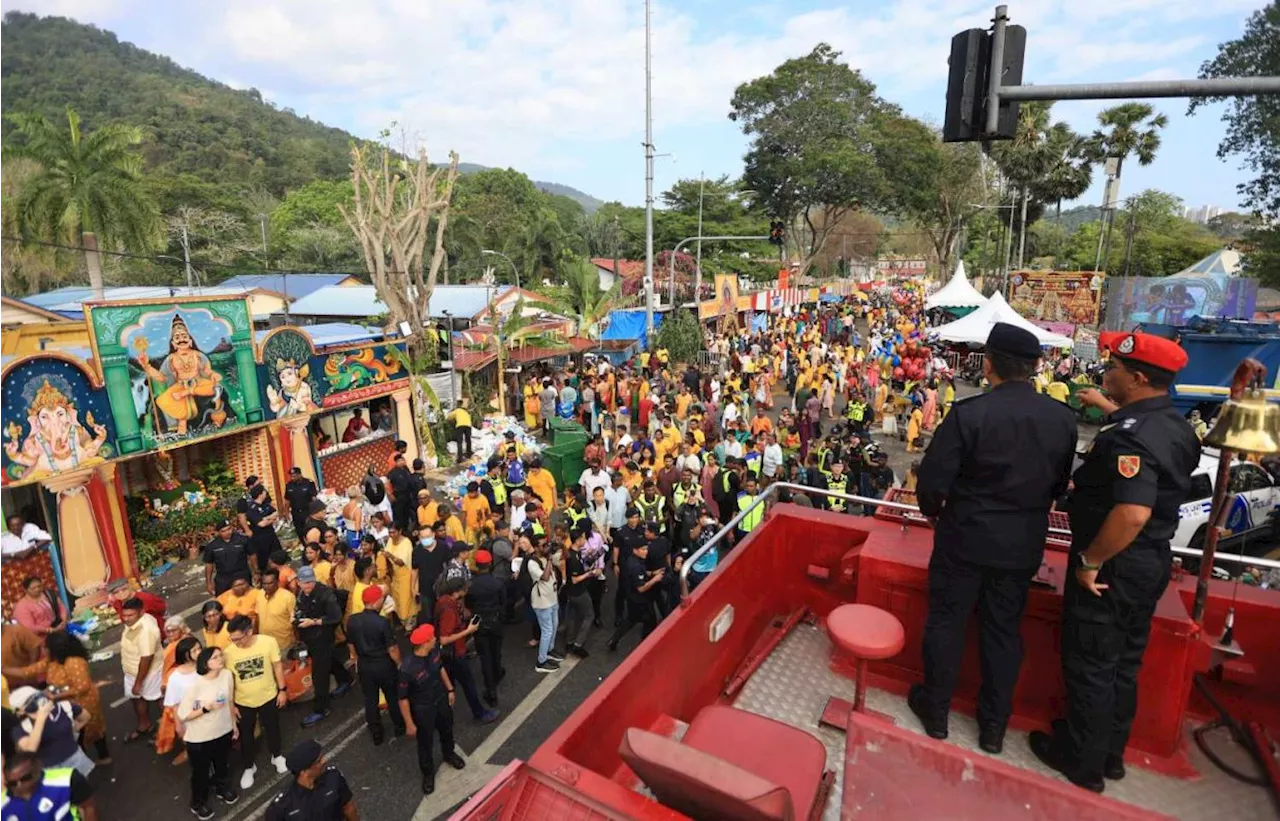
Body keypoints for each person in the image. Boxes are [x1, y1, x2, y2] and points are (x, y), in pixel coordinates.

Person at [1029, 332, 1199, 792]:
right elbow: (1143, 440)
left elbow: (1132, 512)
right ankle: (1110, 756)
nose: (1107, 375)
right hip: (1148, 565)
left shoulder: (1134, 440)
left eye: (1114, 370)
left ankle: (1081, 764)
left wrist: (1089, 561)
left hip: (1113, 567)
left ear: (1139, 377)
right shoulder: (1173, 425)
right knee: (1123, 665)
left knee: (1090, 666)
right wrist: (1111, 410)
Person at [910, 323, 1077, 756]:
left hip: (963, 539)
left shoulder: (969, 414)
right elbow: (1059, 486)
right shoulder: (1062, 420)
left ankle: (937, 713)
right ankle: (993, 729)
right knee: (1004, 633)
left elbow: (930, 482)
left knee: (946, 623)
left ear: (988, 365)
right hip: (1021, 547)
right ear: (1036, 367)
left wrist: (934, 515)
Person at [1, 632, 108, 765]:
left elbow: (82, 687)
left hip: (84, 701)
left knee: (90, 729)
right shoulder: (52, 661)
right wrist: (3, 669)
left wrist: (54, 696)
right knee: (77, 732)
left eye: (46, 648)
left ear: (57, 648)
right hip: (65, 701)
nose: (44, 650)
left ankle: (100, 758)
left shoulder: (74, 662)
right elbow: (27, 672)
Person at [397, 624, 466, 795]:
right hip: (423, 710)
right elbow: (403, 699)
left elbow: (440, 669)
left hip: (441, 700)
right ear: (424, 643)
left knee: (447, 730)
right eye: (432, 637)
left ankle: (449, 754)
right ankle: (428, 773)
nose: (435, 639)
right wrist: (409, 724)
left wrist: (450, 689)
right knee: (425, 743)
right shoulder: (407, 668)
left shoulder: (433, 653)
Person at [224, 616, 288, 789]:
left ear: (250, 632)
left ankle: (277, 755)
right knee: (246, 735)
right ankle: (249, 766)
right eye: (232, 639)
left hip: (268, 696)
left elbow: (277, 666)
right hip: (243, 702)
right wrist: (232, 705)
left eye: (238, 638)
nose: (235, 642)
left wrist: (282, 690)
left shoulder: (268, 642)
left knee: (273, 727)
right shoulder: (228, 652)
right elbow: (228, 680)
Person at [177, 647, 238, 819]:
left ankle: (222, 788)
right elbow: (183, 715)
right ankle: (198, 802)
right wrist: (205, 708)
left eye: (220, 656)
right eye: (215, 658)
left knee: (222, 765)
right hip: (200, 738)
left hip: (223, 730)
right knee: (200, 773)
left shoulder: (226, 675)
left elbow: (230, 700)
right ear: (205, 663)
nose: (220, 659)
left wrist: (233, 725)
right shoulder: (195, 685)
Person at [293, 566, 353, 728]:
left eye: (310, 582)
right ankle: (345, 678)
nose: (307, 585)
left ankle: (321, 709)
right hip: (310, 637)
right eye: (304, 582)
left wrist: (314, 622)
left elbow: (335, 617)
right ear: (298, 582)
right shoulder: (301, 595)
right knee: (329, 659)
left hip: (322, 636)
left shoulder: (325, 594)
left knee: (319, 674)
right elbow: (300, 610)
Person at [434, 577, 499, 723]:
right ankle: (479, 713)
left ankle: (444, 715)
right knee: (468, 684)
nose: (467, 591)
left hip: (446, 654)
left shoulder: (443, 600)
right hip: (456, 652)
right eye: (464, 589)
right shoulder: (449, 611)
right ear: (457, 592)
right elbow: (445, 638)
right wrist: (468, 630)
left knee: (447, 686)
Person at [345, 587, 405, 744]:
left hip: (365, 665)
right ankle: (399, 726)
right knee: (392, 697)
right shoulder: (382, 622)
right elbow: (392, 649)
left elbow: (350, 644)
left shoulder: (352, 620)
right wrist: (399, 664)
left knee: (370, 700)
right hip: (384, 665)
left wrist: (357, 659)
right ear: (376, 601)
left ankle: (376, 733)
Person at [266, 739, 361, 821]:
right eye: (318, 761)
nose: (324, 761)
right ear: (303, 772)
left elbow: (348, 808)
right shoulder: (281, 807)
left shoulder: (334, 778)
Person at [9, 685, 91, 775]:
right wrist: (41, 718)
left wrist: (69, 731)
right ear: (20, 711)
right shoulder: (21, 727)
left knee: (82, 787)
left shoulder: (65, 707)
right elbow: (29, 751)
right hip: (50, 772)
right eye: (28, 701)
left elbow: (85, 717)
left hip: (76, 761)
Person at [0, 751, 99, 821]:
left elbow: (88, 807)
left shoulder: (67, 780)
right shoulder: (2, 804)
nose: (19, 786)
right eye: (12, 783)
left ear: (37, 771)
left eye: (25, 778)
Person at [466, 548, 507, 706]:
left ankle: (491, 691)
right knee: (496, 650)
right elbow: (503, 601)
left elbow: (469, 604)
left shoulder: (472, 586)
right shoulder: (497, 583)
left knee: (485, 657)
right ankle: (497, 673)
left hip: (480, 623)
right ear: (490, 564)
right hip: (496, 620)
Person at [119, 597, 162, 743]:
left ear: (141, 612)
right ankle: (145, 725)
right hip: (131, 670)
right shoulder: (136, 621)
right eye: (124, 615)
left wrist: (138, 682)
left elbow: (146, 658)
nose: (126, 619)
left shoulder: (146, 630)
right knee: (136, 699)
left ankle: (168, 730)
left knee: (159, 699)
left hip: (148, 672)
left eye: (130, 615)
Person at [607, 539, 662, 651]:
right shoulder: (636, 566)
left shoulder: (632, 561)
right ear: (635, 550)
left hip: (632, 598)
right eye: (643, 549)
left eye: (646, 549)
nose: (646, 552)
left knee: (630, 620)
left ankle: (614, 640)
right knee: (650, 623)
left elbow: (642, 573)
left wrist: (651, 573)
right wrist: (655, 579)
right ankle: (645, 647)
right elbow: (641, 588)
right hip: (640, 600)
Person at [526, 537, 563, 673]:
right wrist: (549, 560)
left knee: (554, 626)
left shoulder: (546, 557)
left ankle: (549, 651)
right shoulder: (532, 562)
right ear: (536, 548)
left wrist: (559, 548)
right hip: (542, 602)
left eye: (547, 544)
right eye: (543, 545)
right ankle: (541, 661)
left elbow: (564, 557)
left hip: (552, 598)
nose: (546, 547)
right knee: (547, 631)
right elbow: (545, 577)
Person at [203, 519, 253, 596]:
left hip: (241, 574)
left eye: (229, 529)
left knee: (247, 598)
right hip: (223, 578)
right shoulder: (212, 546)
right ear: (218, 532)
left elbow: (252, 555)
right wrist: (209, 583)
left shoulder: (242, 539)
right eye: (224, 531)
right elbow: (209, 564)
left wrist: (256, 571)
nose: (228, 532)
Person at [246, 484, 284, 577]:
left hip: (271, 535)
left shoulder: (266, 505)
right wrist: (268, 520)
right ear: (260, 494)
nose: (265, 493)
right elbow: (261, 524)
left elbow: (276, 514)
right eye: (264, 492)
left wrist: (266, 519)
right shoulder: (252, 509)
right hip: (260, 539)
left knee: (278, 556)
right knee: (264, 562)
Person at [258, 568, 297, 653]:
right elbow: (257, 618)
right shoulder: (259, 595)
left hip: (284, 646)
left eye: (270, 583)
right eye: (264, 584)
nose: (266, 586)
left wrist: (297, 641)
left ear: (278, 582)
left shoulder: (288, 597)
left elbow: (295, 621)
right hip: (265, 646)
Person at [284, 467, 319, 542]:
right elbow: (287, 501)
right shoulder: (289, 485)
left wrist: (316, 512)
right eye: (291, 476)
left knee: (310, 530)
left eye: (294, 475)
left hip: (307, 512)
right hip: (296, 513)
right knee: (300, 532)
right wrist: (286, 513)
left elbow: (314, 499)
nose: (292, 477)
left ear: (299, 474)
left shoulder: (309, 483)